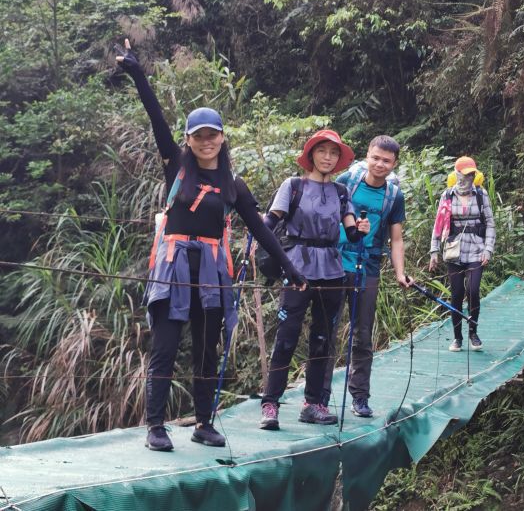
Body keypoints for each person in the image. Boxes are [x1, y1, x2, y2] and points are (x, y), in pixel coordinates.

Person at [116, 40, 305, 453]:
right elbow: (156, 119)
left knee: (206, 349)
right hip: (174, 265)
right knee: (165, 347)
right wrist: (137, 73)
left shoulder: (233, 185)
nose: (206, 141)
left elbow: (260, 230)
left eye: (212, 135)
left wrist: (289, 268)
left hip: (211, 271)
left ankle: (204, 423)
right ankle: (155, 427)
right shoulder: (177, 167)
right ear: (189, 139)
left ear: (222, 138)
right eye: (198, 136)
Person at [259, 129, 367, 430]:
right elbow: (270, 222)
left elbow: (351, 232)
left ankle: (313, 404)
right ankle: (270, 404)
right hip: (297, 268)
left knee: (322, 339)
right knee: (286, 337)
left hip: (332, 270)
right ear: (311, 155)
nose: (328, 158)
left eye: (333, 153)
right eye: (322, 151)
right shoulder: (293, 186)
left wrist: (361, 228)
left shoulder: (341, 192)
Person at [320, 135, 409, 419]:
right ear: (367, 156)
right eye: (376, 158)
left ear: (394, 164)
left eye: (387, 161)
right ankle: (319, 398)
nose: (380, 164)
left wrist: (400, 272)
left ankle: (360, 397)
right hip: (335, 264)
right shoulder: (347, 181)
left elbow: (396, 239)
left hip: (367, 267)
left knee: (362, 335)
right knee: (327, 331)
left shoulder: (394, 196)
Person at [429, 156, 495, 352]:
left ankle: (473, 332)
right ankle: (457, 337)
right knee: (456, 293)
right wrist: (434, 250)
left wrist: (488, 249)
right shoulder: (447, 195)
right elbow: (439, 224)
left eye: (472, 174)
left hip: (477, 249)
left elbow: (490, 224)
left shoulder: (481, 194)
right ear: (457, 174)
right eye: (465, 174)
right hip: (454, 250)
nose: (469, 177)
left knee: (473, 291)